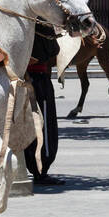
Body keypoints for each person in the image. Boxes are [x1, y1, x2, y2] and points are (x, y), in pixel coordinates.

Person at [23, 21, 62, 187]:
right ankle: (41, 169)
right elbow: (54, 50)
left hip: (20, 80)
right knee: (43, 124)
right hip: (38, 80)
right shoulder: (43, 24)